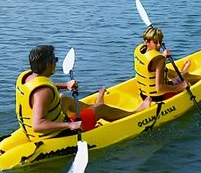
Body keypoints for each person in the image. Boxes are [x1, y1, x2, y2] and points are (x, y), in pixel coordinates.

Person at [16, 45, 150, 141]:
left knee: (64, 99)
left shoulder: (27, 77)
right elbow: (38, 125)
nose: (56, 63)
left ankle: (92, 111)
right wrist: (70, 125)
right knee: (101, 109)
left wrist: (65, 85)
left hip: (33, 130)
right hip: (54, 134)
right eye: (55, 60)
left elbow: (42, 87)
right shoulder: (43, 93)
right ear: (48, 64)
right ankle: (134, 113)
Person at [134, 26, 201, 102]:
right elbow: (160, 88)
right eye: (155, 42)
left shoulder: (139, 50)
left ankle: (181, 74)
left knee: (167, 71)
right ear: (147, 41)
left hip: (144, 95)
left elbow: (153, 67)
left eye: (160, 41)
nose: (159, 45)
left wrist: (163, 56)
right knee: (186, 77)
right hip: (160, 97)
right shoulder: (159, 60)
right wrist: (180, 87)